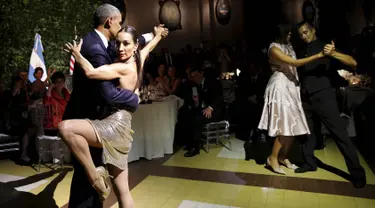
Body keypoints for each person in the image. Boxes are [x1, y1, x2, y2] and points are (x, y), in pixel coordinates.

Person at [61, 4, 160, 207]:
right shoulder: (138, 57)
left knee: (66, 130)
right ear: (110, 21)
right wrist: (156, 35)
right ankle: (97, 182)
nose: (119, 47)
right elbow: (144, 42)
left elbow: (98, 82)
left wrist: (77, 55)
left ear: (133, 47)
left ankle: (97, 179)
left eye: (125, 44)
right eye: (118, 43)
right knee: (123, 192)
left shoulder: (119, 67)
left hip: (113, 127)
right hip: (123, 129)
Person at [294, 21, 366, 188]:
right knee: (306, 134)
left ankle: (357, 173)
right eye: (301, 34)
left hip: (324, 97)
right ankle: (310, 163)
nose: (304, 36)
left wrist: (333, 54)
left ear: (313, 31)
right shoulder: (301, 50)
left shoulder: (325, 46)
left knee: (340, 135)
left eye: (306, 32)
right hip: (306, 98)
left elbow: (353, 63)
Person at [258, 24, 324, 174]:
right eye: (287, 33)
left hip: (292, 86)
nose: (290, 36)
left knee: (293, 126)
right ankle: (272, 158)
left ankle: (282, 156)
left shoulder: (288, 45)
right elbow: (293, 63)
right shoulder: (273, 48)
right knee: (284, 125)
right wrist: (318, 56)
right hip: (280, 86)